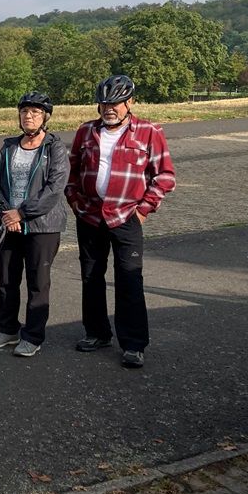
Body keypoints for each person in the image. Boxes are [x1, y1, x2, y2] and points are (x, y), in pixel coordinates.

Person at [65, 75, 175, 368]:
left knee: (129, 278)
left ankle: (134, 344)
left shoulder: (149, 132)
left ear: (129, 103)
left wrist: (143, 210)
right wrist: (75, 201)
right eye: (103, 102)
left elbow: (164, 176)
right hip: (89, 215)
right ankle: (97, 332)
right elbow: (72, 172)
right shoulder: (86, 131)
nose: (108, 108)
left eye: (114, 102)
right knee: (91, 276)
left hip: (127, 217)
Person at [0, 92, 68, 357]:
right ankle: (8, 329)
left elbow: (55, 188)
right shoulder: (9, 146)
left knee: (37, 281)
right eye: (24, 112)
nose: (29, 116)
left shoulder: (54, 147)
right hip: (9, 223)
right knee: (7, 279)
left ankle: (32, 335)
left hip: (43, 226)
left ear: (45, 117)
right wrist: (7, 213)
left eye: (35, 112)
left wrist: (22, 213)